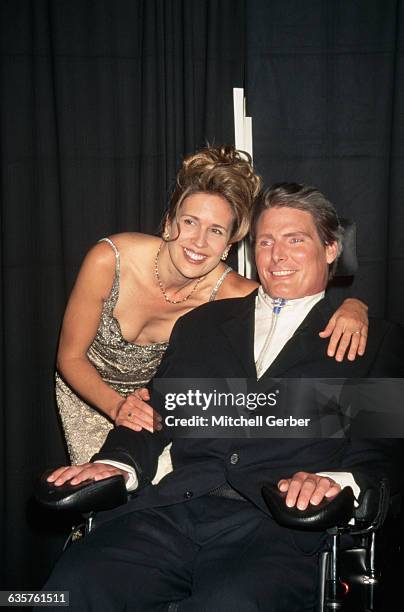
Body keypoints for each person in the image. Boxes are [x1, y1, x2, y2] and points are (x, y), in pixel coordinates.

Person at [45, 183, 403, 611]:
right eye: (265, 242)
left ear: (330, 249)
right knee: (71, 584)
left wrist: (334, 483)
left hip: (278, 532)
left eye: (295, 240)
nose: (278, 255)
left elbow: (382, 460)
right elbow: (152, 417)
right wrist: (114, 464)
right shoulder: (201, 326)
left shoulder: (374, 341)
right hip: (175, 510)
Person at [55, 146, 367, 469]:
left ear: (228, 247)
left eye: (216, 231)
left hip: (162, 409)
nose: (199, 241)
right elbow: (70, 357)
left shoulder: (231, 292)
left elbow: (296, 299)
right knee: (97, 492)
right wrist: (118, 407)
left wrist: (353, 306)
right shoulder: (110, 259)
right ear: (167, 224)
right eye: (190, 222)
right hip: (89, 396)